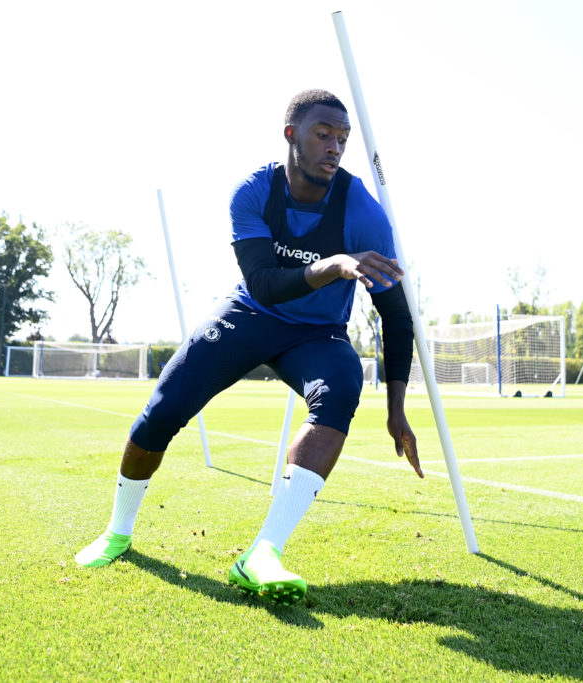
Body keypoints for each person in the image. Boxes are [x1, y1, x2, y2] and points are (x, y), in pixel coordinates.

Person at [74, 89, 423, 605]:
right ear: (292, 136)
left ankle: (262, 552)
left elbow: (396, 317)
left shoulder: (364, 214)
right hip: (249, 315)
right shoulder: (253, 192)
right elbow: (263, 283)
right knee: (162, 410)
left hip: (315, 334)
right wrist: (333, 264)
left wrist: (397, 409)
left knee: (343, 386)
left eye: (342, 139)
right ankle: (118, 531)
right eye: (323, 134)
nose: (334, 147)